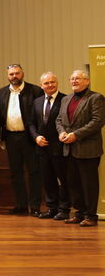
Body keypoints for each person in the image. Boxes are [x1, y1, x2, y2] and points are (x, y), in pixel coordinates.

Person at [56, 70, 105, 227]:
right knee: (73, 183)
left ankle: (91, 216)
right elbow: (59, 120)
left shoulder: (95, 98)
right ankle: (79, 213)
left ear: (87, 81)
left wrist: (76, 135)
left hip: (88, 149)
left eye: (78, 78)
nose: (74, 81)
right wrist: (62, 132)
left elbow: (97, 121)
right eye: (72, 79)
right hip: (69, 148)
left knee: (88, 184)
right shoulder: (65, 99)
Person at [0, 64, 44, 215]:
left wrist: (37, 135)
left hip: (29, 137)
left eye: (17, 73)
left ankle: (35, 206)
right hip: (11, 137)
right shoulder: (3, 92)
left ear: (23, 74)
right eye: (11, 74)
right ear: (8, 76)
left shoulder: (35, 90)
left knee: (34, 172)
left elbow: (39, 116)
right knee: (15, 172)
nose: (14, 76)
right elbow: (0, 116)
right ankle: (21, 205)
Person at [27, 72, 68, 220]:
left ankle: (64, 209)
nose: (50, 85)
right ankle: (52, 208)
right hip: (42, 148)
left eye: (53, 82)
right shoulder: (37, 101)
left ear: (57, 83)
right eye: (46, 83)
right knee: (47, 179)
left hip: (60, 147)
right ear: (41, 85)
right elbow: (31, 123)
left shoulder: (65, 99)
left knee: (63, 179)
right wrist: (36, 137)